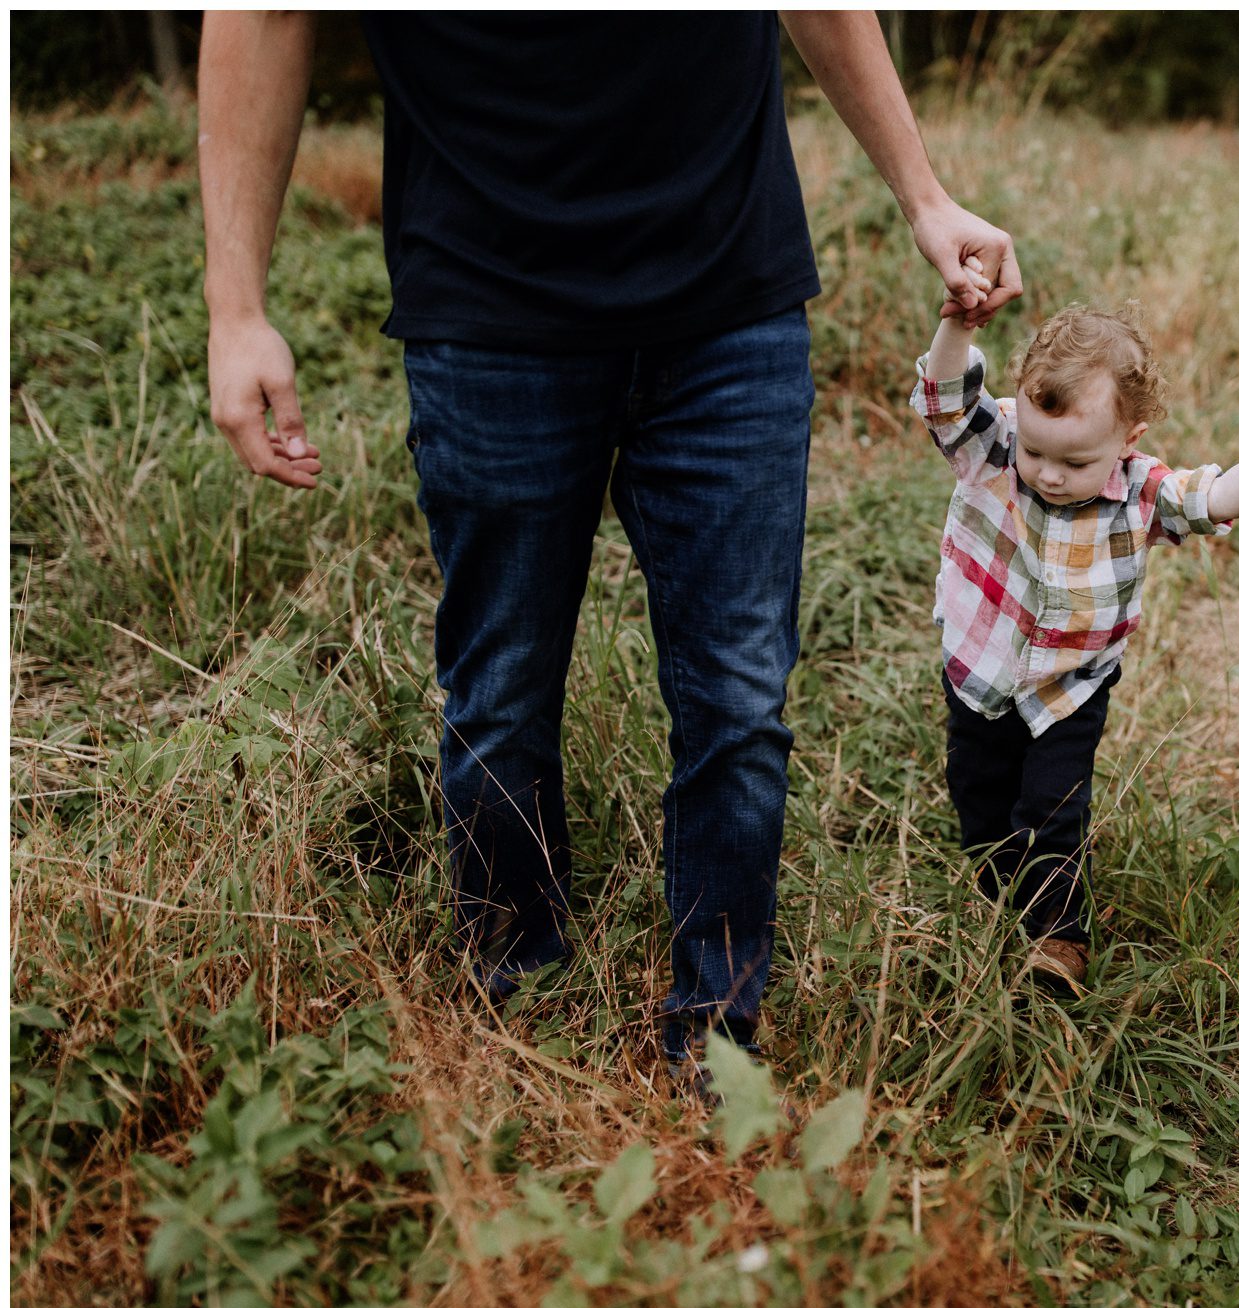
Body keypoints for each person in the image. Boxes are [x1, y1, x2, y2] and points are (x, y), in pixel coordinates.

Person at [197, 12, 1023, 1089]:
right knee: (499, 694)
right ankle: (515, 1010)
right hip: (488, 306)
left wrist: (923, 195)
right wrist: (236, 307)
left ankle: (717, 1041)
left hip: (729, 299)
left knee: (737, 699)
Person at [912, 270, 1239, 994]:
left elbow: (1217, 498)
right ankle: (998, 902)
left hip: (1070, 691)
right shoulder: (998, 448)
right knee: (979, 796)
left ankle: (1057, 939)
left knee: (1052, 809)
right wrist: (960, 325)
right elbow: (944, 399)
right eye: (1039, 452)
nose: (1047, 474)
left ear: (1128, 439)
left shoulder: (1141, 489)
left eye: (1075, 462)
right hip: (979, 668)